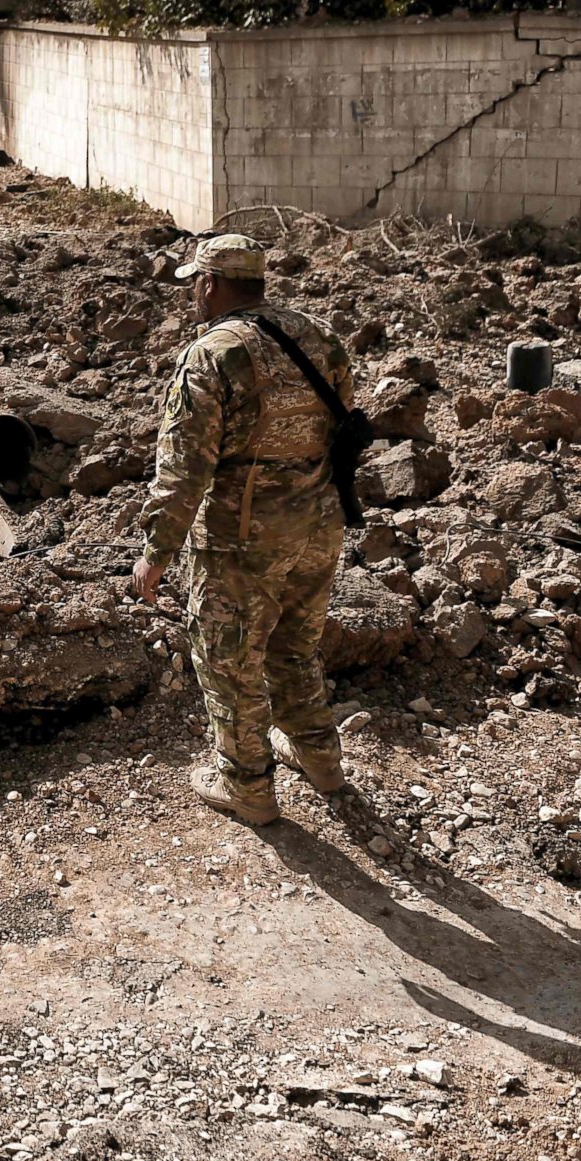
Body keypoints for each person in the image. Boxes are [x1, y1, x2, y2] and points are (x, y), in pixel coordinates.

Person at [129, 233, 355, 826]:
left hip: (242, 536)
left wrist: (157, 550)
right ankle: (321, 759)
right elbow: (343, 428)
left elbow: (185, 467)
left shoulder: (214, 354)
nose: (193, 300)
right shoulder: (319, 336)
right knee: (295, 646)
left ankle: (248, 785)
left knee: (228, 659)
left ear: (208, 285)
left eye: (195, 288)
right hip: (318, 522)